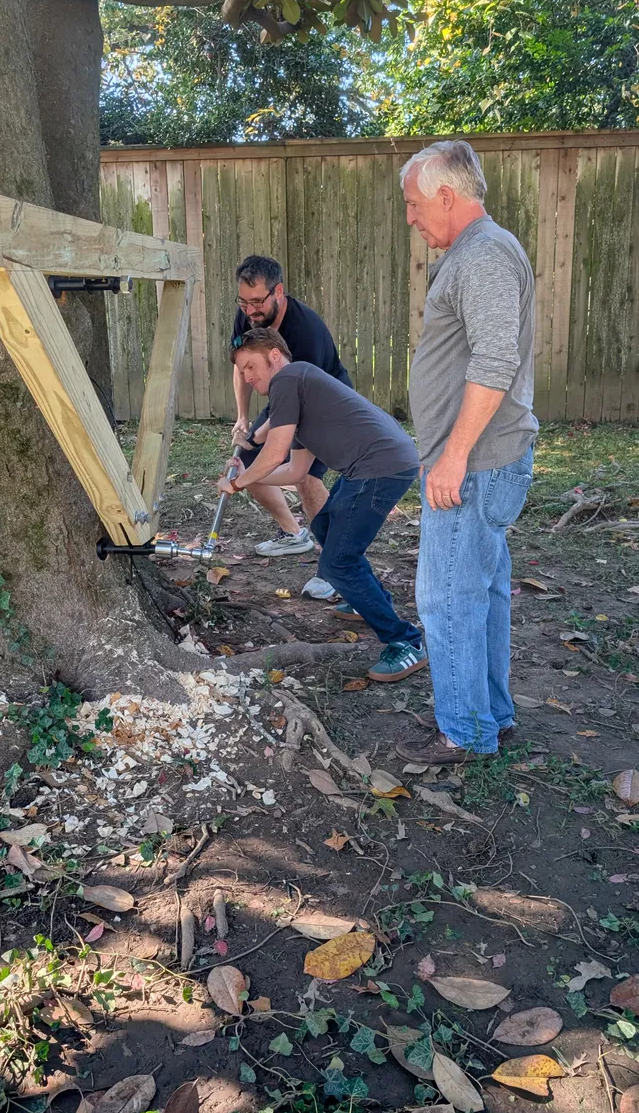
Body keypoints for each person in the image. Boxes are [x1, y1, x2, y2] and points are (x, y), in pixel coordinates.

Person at [396, 140, 539, 764]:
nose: (410, 217)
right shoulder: (478, 252)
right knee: (480, 589)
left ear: (446, 196)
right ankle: (491, 716)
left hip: (475, 466)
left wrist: (451, 457)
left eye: (413, 204)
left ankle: (465, 734)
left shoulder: (482, 256)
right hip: (479, 461)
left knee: (447, 596)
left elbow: (495, 362)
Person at [217, 329, 427, 683]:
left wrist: (238, 482)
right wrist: (247, 473)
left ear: (273, 356)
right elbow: (295, 470)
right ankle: (370, 599)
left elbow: (272, 452)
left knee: (338, 562)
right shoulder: (299, 396)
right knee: (325, 527)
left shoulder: (290, 378)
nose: (248, 379)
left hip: (381, 467)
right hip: (375, 465)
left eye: (250, 367)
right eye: (242, 372)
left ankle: (406, 643)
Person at [231, 255, 351, 593]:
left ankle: (335, 567)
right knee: (245, 463)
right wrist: (243, 419)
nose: (249, 310)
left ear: (278, 292)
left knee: (307, 479)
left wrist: (258, 436)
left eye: (256, 302)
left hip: (326, 402)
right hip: (286, 397)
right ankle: (293, 534)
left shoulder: (305, 331)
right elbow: (241, 364)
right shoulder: (249, 315)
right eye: (243, 301)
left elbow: (299, 402)